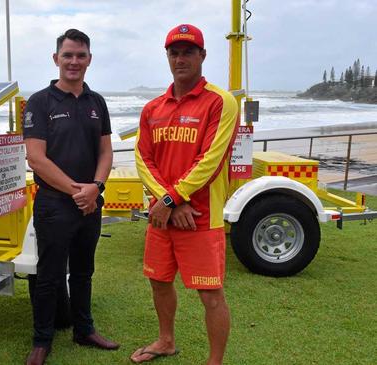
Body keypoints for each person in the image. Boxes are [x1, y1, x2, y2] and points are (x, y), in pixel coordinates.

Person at [130, 24, 239, 365]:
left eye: (188, 52)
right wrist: (169, 201)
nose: (180, 58)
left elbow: (211, 160)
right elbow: (142, 159)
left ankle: (215, 361)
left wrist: (169, 199)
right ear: (167, 57)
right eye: (174, 53)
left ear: (203, 55)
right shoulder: (152, 109)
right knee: (159, 283)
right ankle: (166, 341)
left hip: (201, 218)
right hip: (165, 215)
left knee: (210, 294)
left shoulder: (221, 102)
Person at [22, 28, 118, 365]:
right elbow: (36, 158)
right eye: (68, 55)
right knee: (48, 274)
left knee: (82, 271)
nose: (74, 62)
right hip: (54, 204)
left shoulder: (97, 103)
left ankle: (84, 329)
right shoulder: (39, 102)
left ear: (89, 59)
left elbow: (106, 151)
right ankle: (41, 340)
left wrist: (95, 187)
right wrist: (78, 191)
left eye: (80, 55)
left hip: (90, 201)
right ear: (56, 59)